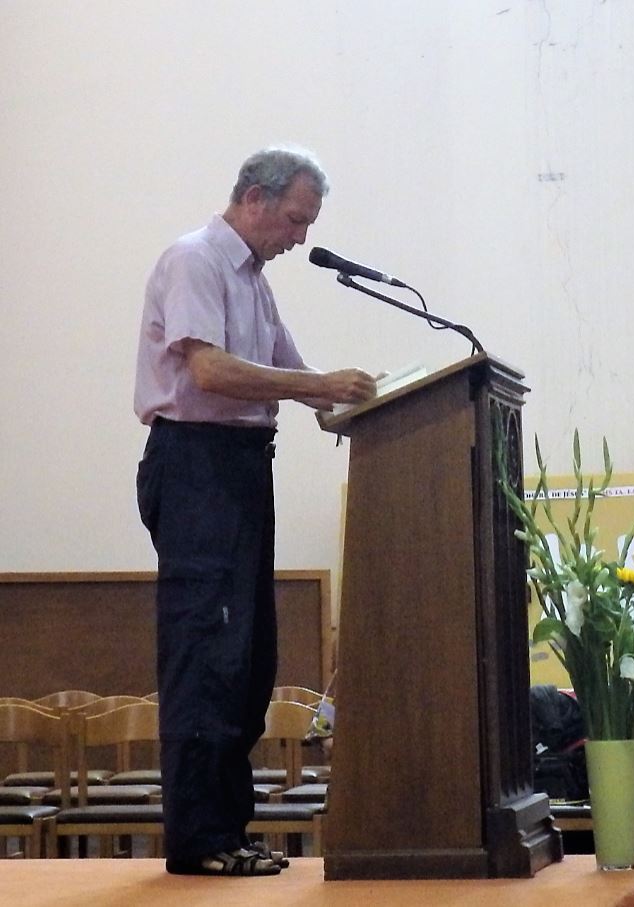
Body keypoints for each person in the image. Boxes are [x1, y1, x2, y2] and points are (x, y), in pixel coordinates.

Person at [134, 146, 376, 877]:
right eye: (296, 220)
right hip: (195, 466)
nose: (299, 238)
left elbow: (305, 385)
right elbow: (209, 371)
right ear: (254, 198)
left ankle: (227, 830)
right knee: (206, 656)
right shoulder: (195, 261)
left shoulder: (254, 282)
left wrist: (383, 402)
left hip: (240, 469)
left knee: (245, 662)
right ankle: (197, 839)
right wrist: (318, 383)